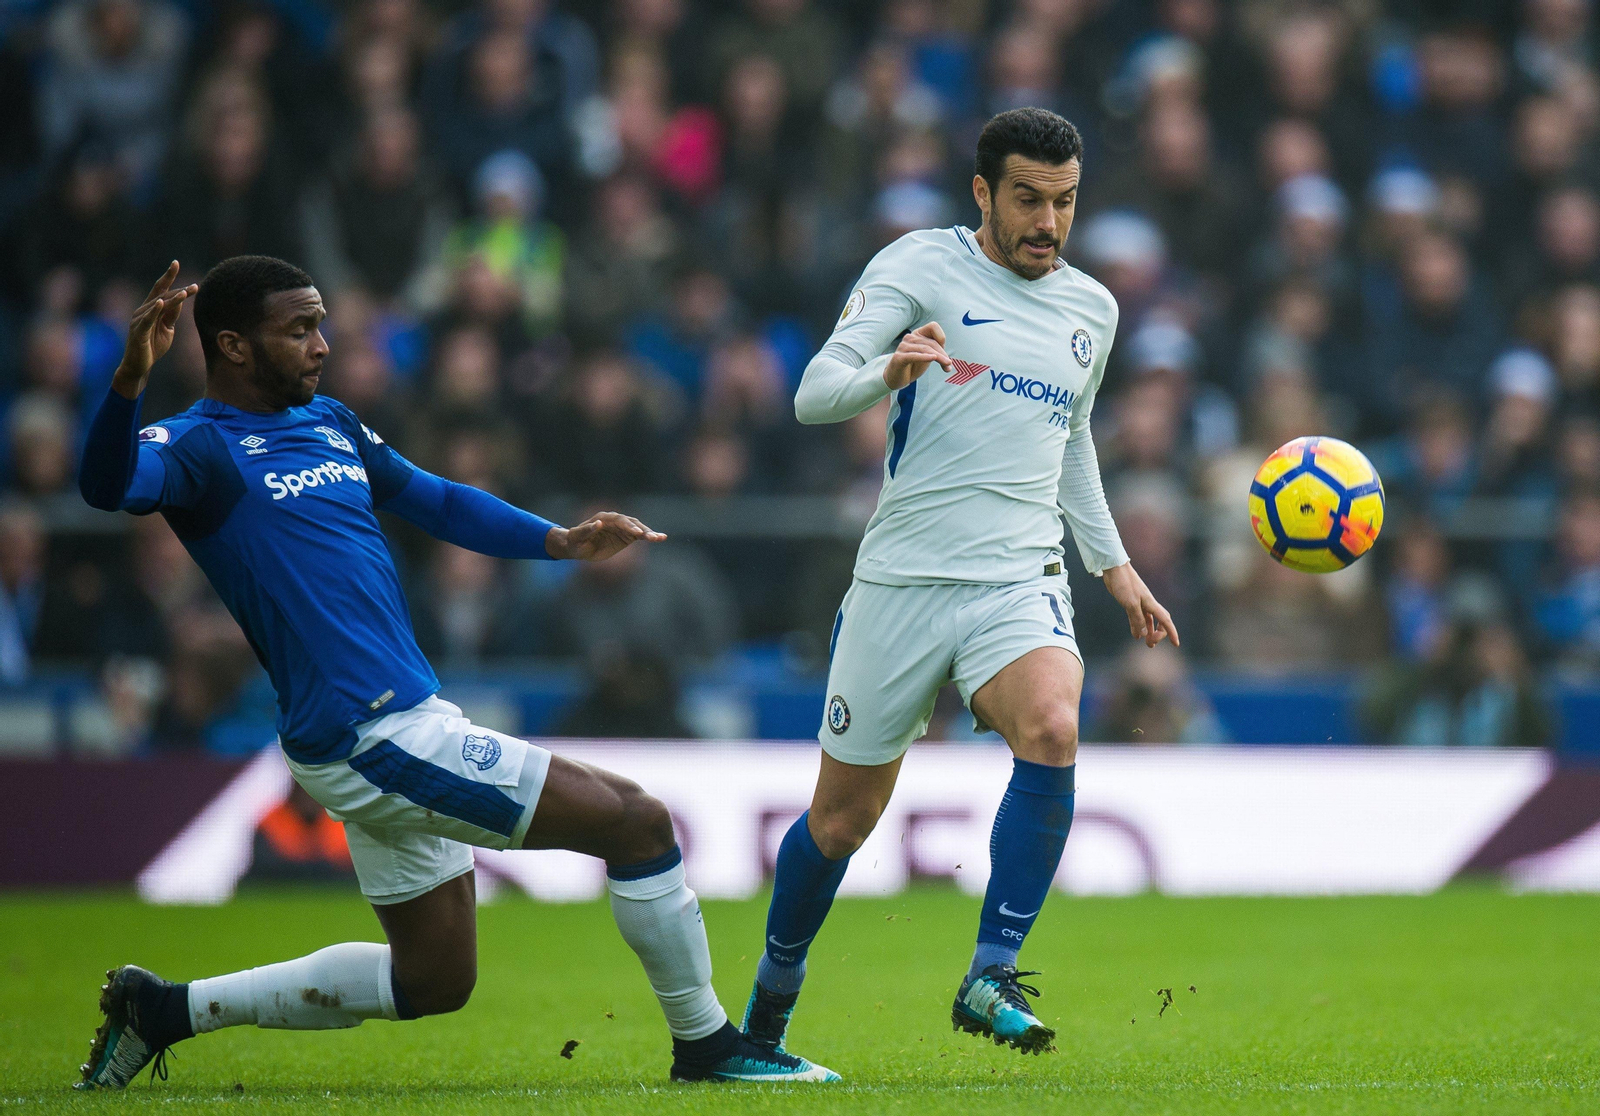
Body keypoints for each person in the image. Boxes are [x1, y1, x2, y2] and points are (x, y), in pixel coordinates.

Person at [73, 256, 835, 1088]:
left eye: (321, 324)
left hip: (396, 722)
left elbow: (434, 499)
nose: (322, 345)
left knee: (433, 980)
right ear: (233, 346)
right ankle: (709, 1046)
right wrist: (128, 382)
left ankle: (163, 1010)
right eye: (299, 329)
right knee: (638, 823)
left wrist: (557, 541)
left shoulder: (329, 421)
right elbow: (107, 486)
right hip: (367, 733)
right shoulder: (196, 447)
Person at [740, 108, 1179, 1057]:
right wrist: (886, 373)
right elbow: (814, 393)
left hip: (1018, 575)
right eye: (1027, 199)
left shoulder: (1093, 310)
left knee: (1054, 725)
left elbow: (1070, 439)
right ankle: (768, 1010)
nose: (1048, 223)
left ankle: (991, 973)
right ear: (982, 192)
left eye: (1065, 202)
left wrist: (1114, 566)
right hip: (903, 582)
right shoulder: (920, 266)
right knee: (841, 823)